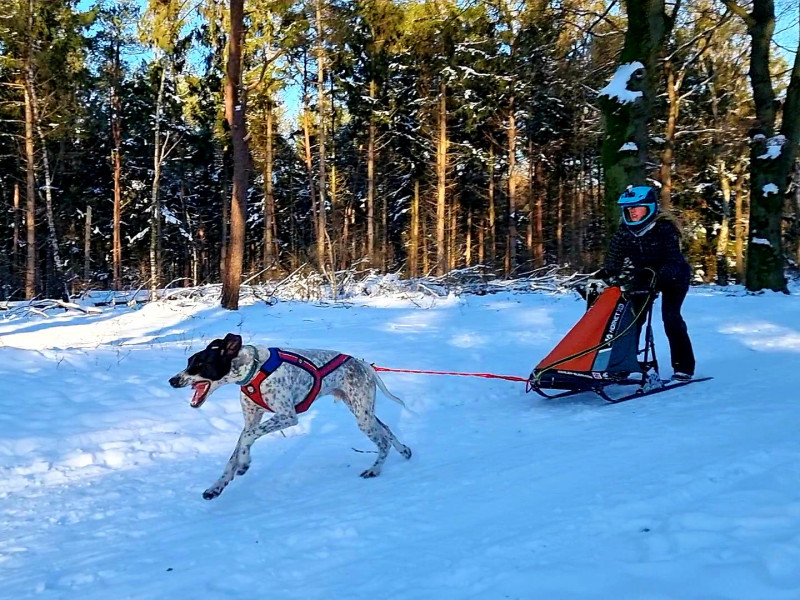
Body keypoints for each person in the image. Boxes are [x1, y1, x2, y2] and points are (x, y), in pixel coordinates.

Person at [595, 185, 695, 381]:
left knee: (671, 318)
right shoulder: (625, 231)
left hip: (674, 276)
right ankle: (623, 363)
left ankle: (684, 367)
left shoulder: (665, 228)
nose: (631, 211)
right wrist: (603, 276)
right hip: (644, 275)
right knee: (631, 319)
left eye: (636, 207)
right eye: (628, 208)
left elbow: (673, 260)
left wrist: (658, 278)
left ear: (649, 207)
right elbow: (613, 260)